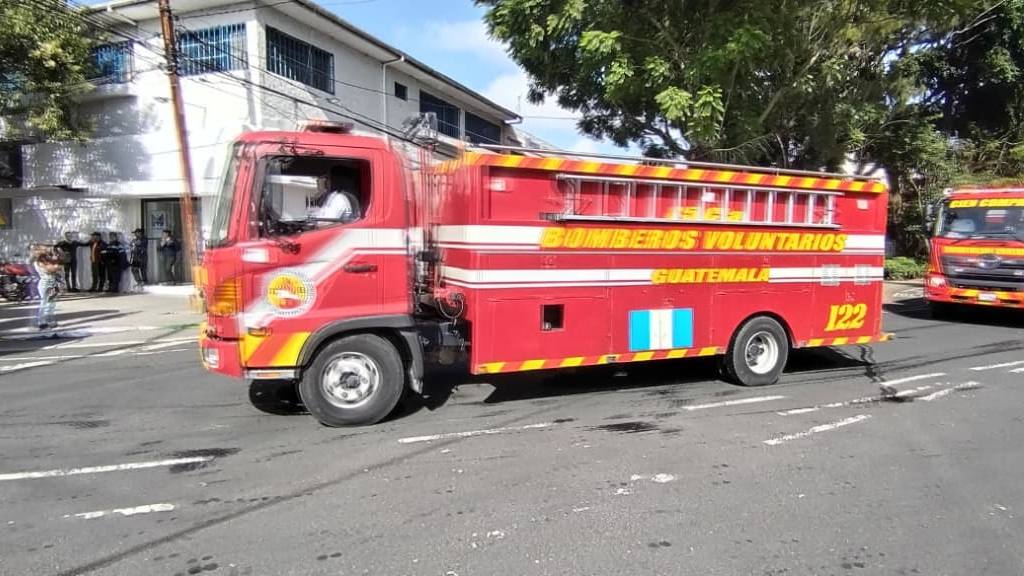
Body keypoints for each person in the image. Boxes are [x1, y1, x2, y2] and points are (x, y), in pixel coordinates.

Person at [31, 245, 62, 330]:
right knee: (44, 302)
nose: (46, 250)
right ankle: (41, 322)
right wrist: (55, 265)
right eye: (43, 249)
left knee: (51, 303)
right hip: (45, 283)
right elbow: (50, 269)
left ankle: (50, 321)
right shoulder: (38, 262)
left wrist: (56, 261)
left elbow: (57, 268)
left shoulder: (47, 260)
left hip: (52, 283)